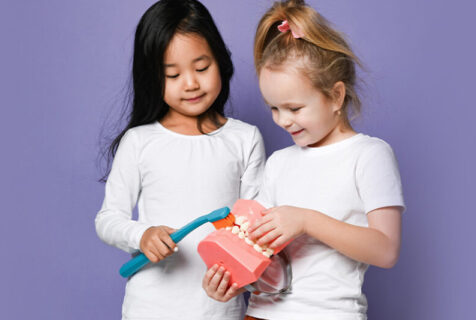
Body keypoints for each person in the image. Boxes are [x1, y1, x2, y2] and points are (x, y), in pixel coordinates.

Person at [202, 1, 405, 319]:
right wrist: (233, 279)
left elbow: (386, 249)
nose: (282, 120)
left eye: (294, 108)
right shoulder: (279, 163)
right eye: (273, 107)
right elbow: (264, 260)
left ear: (336, 96)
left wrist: (306, 221)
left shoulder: (368, 155)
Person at [95, 1, 265, 319]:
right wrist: (141, 235)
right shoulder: (140, 142)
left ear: (221, 61)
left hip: (219, 309)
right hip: (149, 309)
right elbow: (107, 220)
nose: (190, 83)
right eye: (172, 74)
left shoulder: (245, 139)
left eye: (201, 68)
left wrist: (249, 284)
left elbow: (255, 231)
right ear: (152, 79)